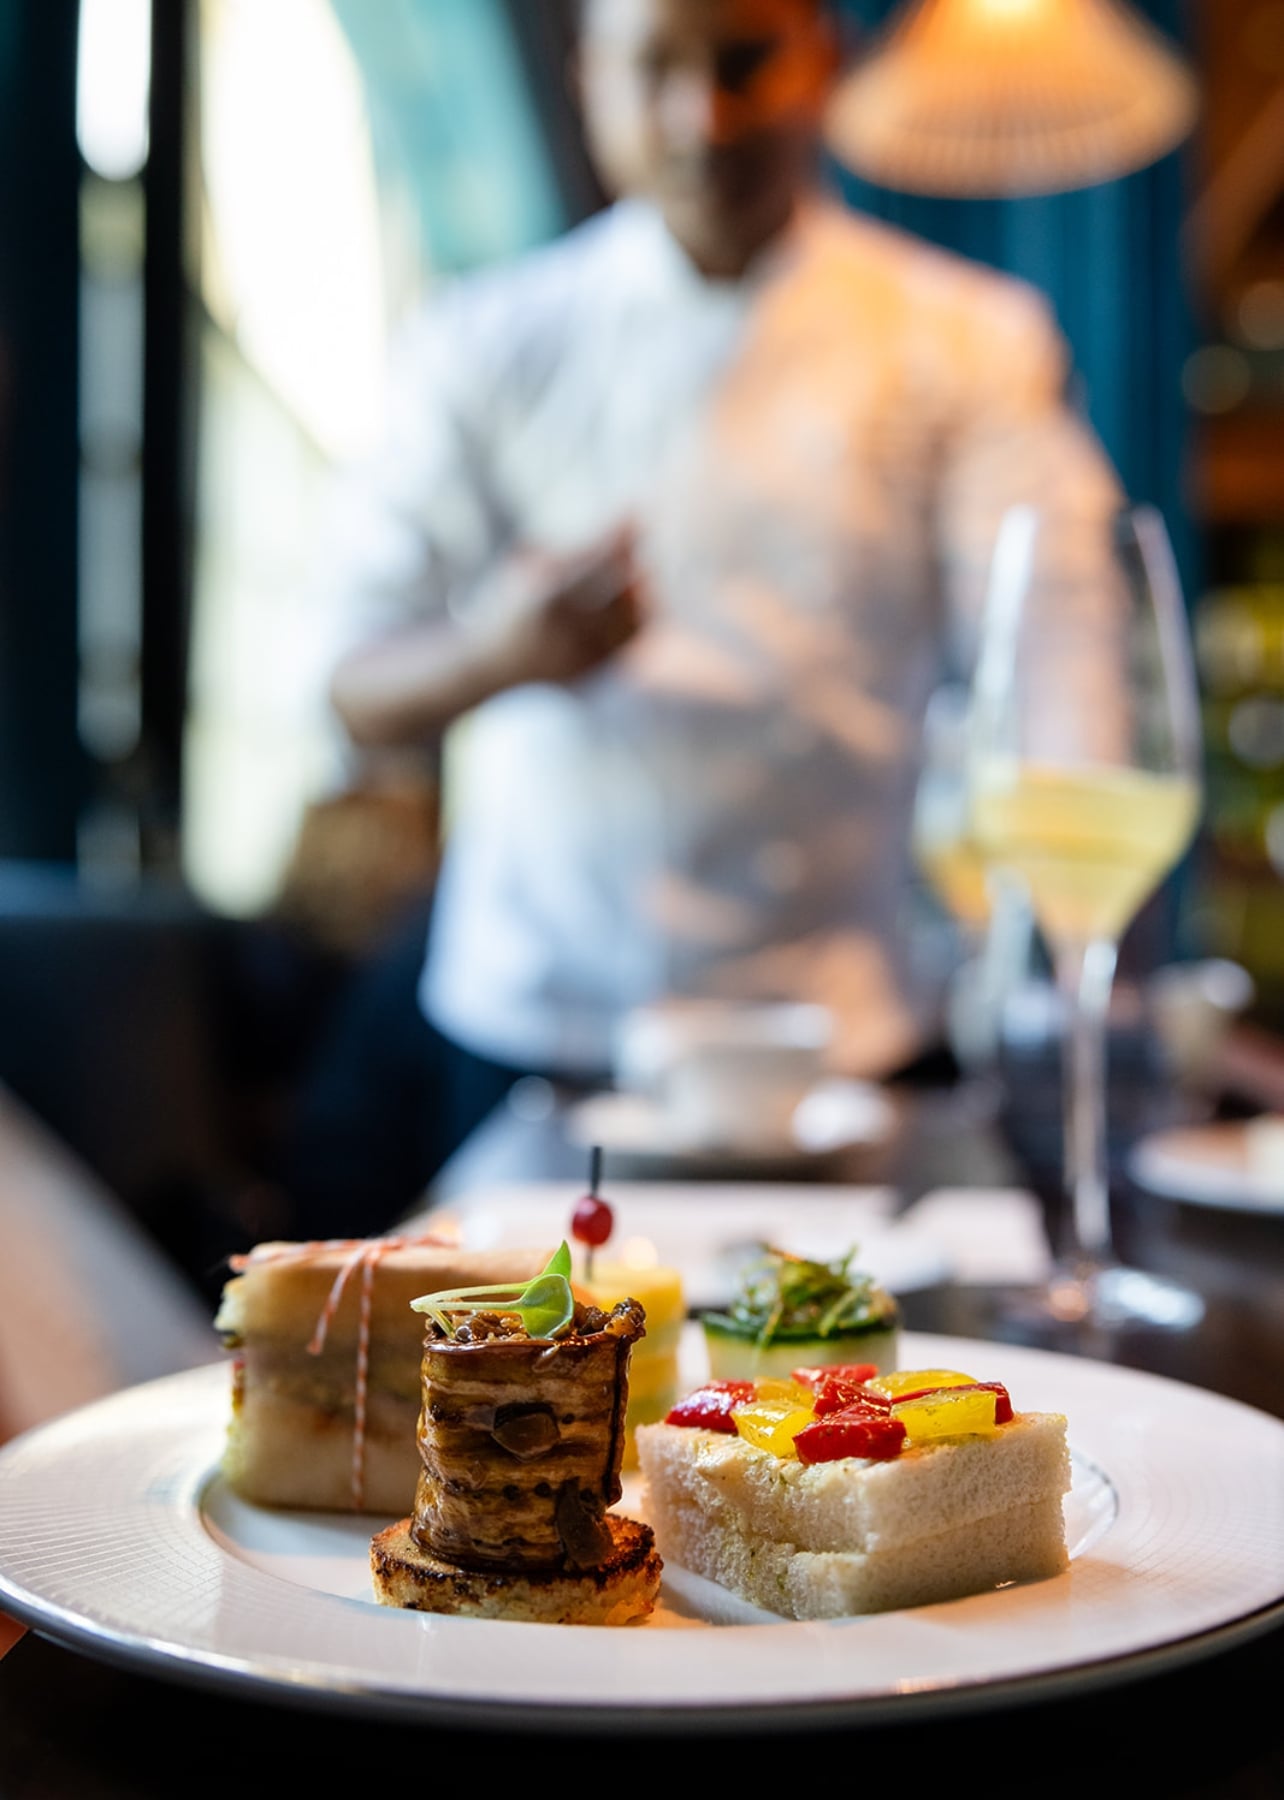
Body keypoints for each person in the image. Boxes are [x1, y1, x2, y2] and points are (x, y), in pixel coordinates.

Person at [287, 0, 1120, 1237]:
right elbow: (346, 686)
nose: (702, 119)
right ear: (590, 78)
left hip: (845, 1034)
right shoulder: (488, 340)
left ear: (824, 60)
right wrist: (501, 652)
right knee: (530, 1354)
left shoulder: (967, 340)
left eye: (745, 63)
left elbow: (1060, 646)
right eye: (657, 69)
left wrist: (1079, 940)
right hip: (542, 1028)